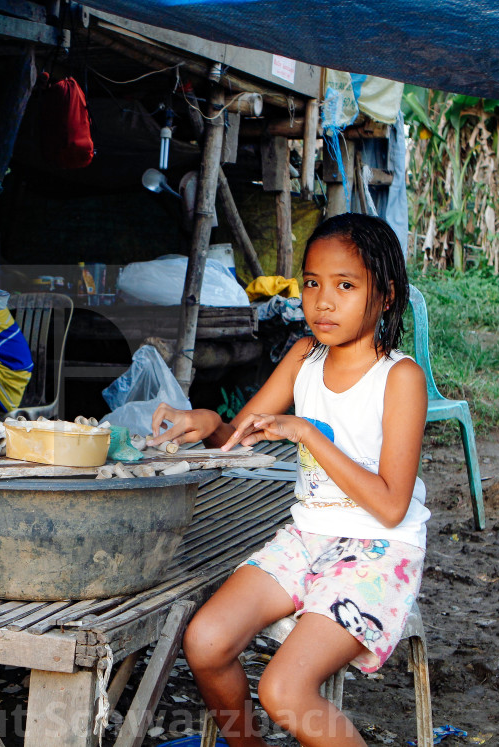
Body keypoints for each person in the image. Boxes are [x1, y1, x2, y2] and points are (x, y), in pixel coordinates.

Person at [149, 213, 430, 747]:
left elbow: (392, 506)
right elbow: (238, 436)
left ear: (386, 295)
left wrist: (306, 433)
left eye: (346, 286)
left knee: (284, 690)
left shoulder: (400, 378)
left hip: (378, 548)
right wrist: (210, 423)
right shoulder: (304, 355)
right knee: (205, 642)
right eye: (312, 283)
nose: (323, 301)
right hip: (306, 537)